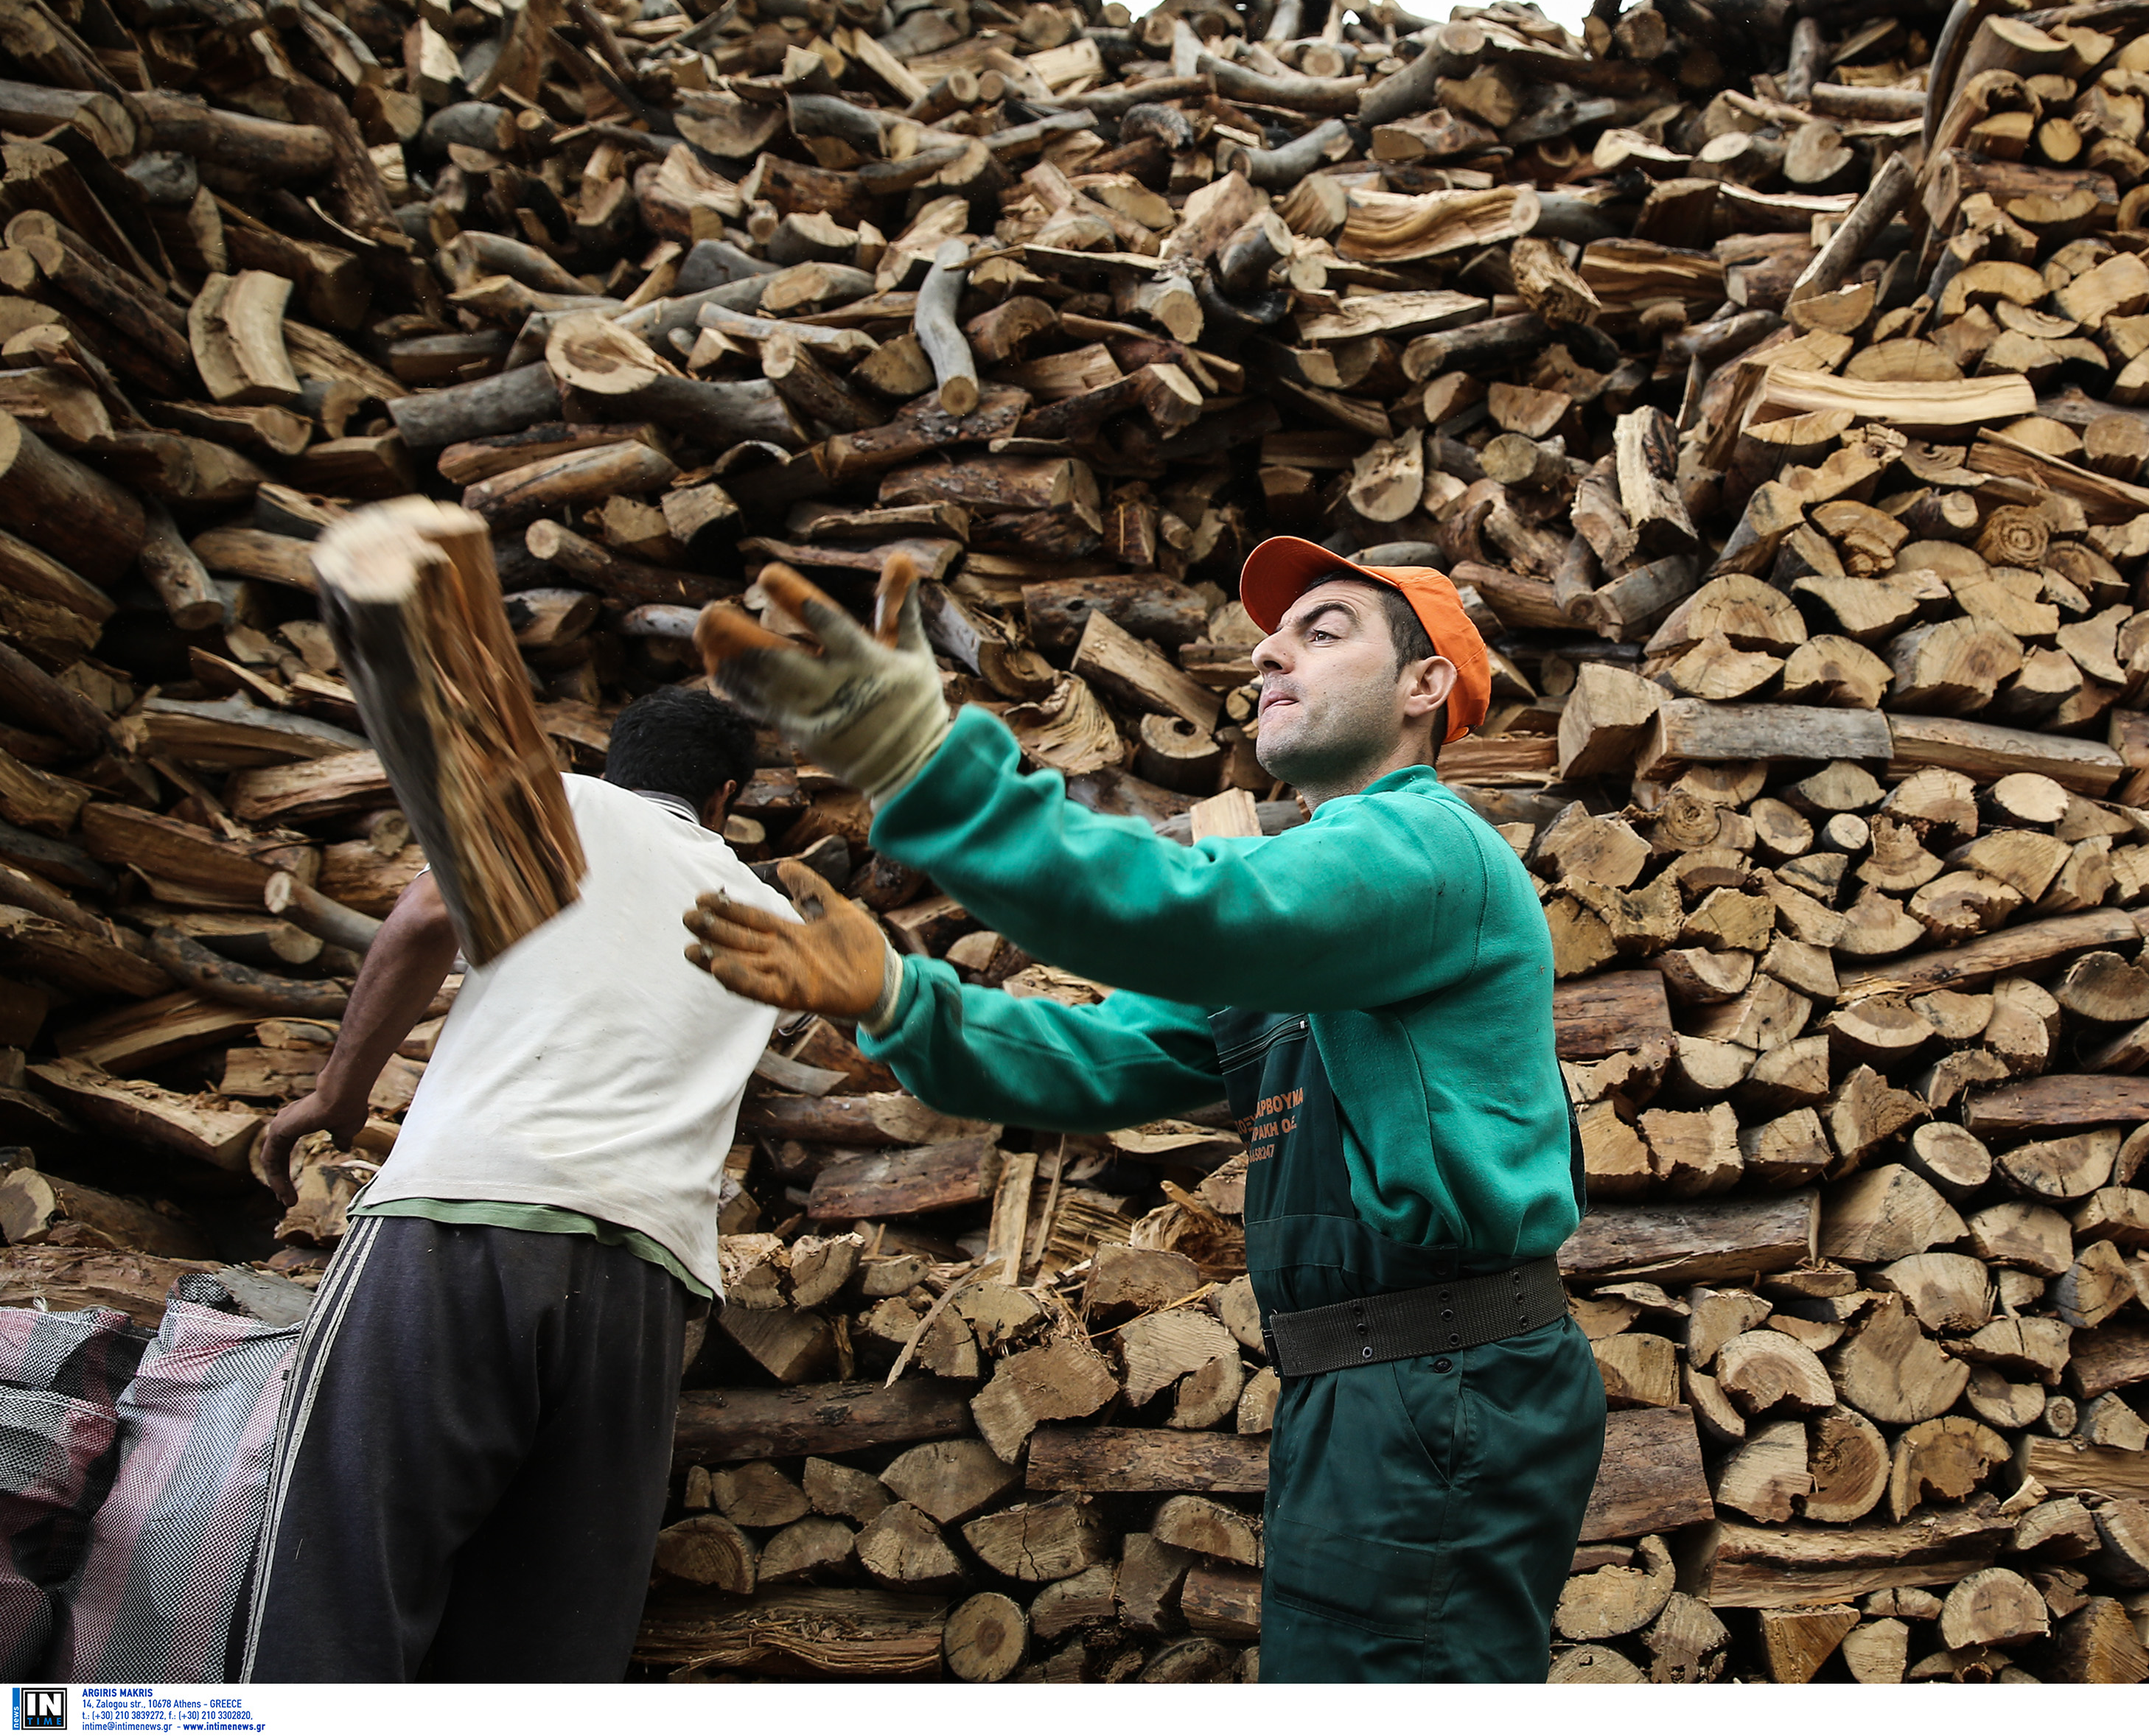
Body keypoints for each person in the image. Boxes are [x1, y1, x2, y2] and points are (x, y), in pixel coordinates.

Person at [682, 542, 1604, 1683]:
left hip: (1445, 1381)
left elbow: (1188, 913)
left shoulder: (1425, 846)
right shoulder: (1309, 884)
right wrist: (899, 997)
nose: (1268, 649)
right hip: (1368, 1387)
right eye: (1277, 634)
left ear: (1425, 689)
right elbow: (1106, 1057)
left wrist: (921, 761)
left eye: (1325, 630)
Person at [240, 687, 794, 1682]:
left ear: (613, 761)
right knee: (546, 1649)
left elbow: (420, 919)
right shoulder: (774, 915)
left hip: (456, 1224)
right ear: (725, 798)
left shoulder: (559, 799)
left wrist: (336, 1093)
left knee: (343, 1591)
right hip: (642, 1279)